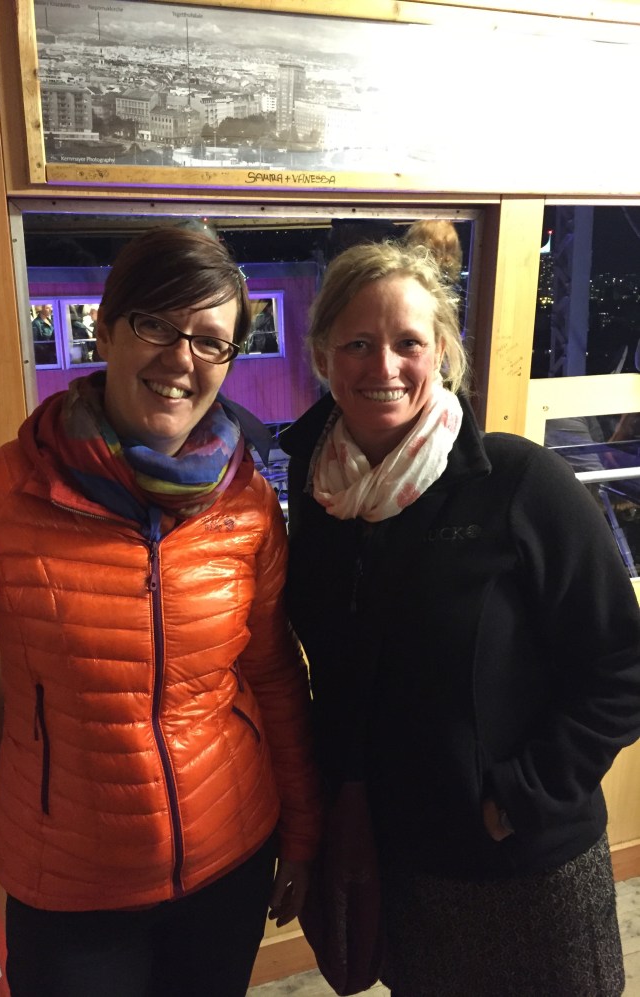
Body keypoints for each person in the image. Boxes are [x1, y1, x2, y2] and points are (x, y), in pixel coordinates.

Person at [0, 226, 321, 997]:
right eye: (156, 323)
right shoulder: (4, 491)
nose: (181, 359)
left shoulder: (249, 504)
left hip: (230, 858)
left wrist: (303, 830)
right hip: (72, 891)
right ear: (106, 327)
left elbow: (273, 675)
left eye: (210, 340)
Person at [281, 239, 640, 996]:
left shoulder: (518, 481)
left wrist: (524, 795)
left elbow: (622, 664)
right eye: (357, 343)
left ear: (441, 352)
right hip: (397, 860)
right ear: (321, 357)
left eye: (408, 342)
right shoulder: (318, 500)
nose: (383, 365)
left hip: (523, 863)